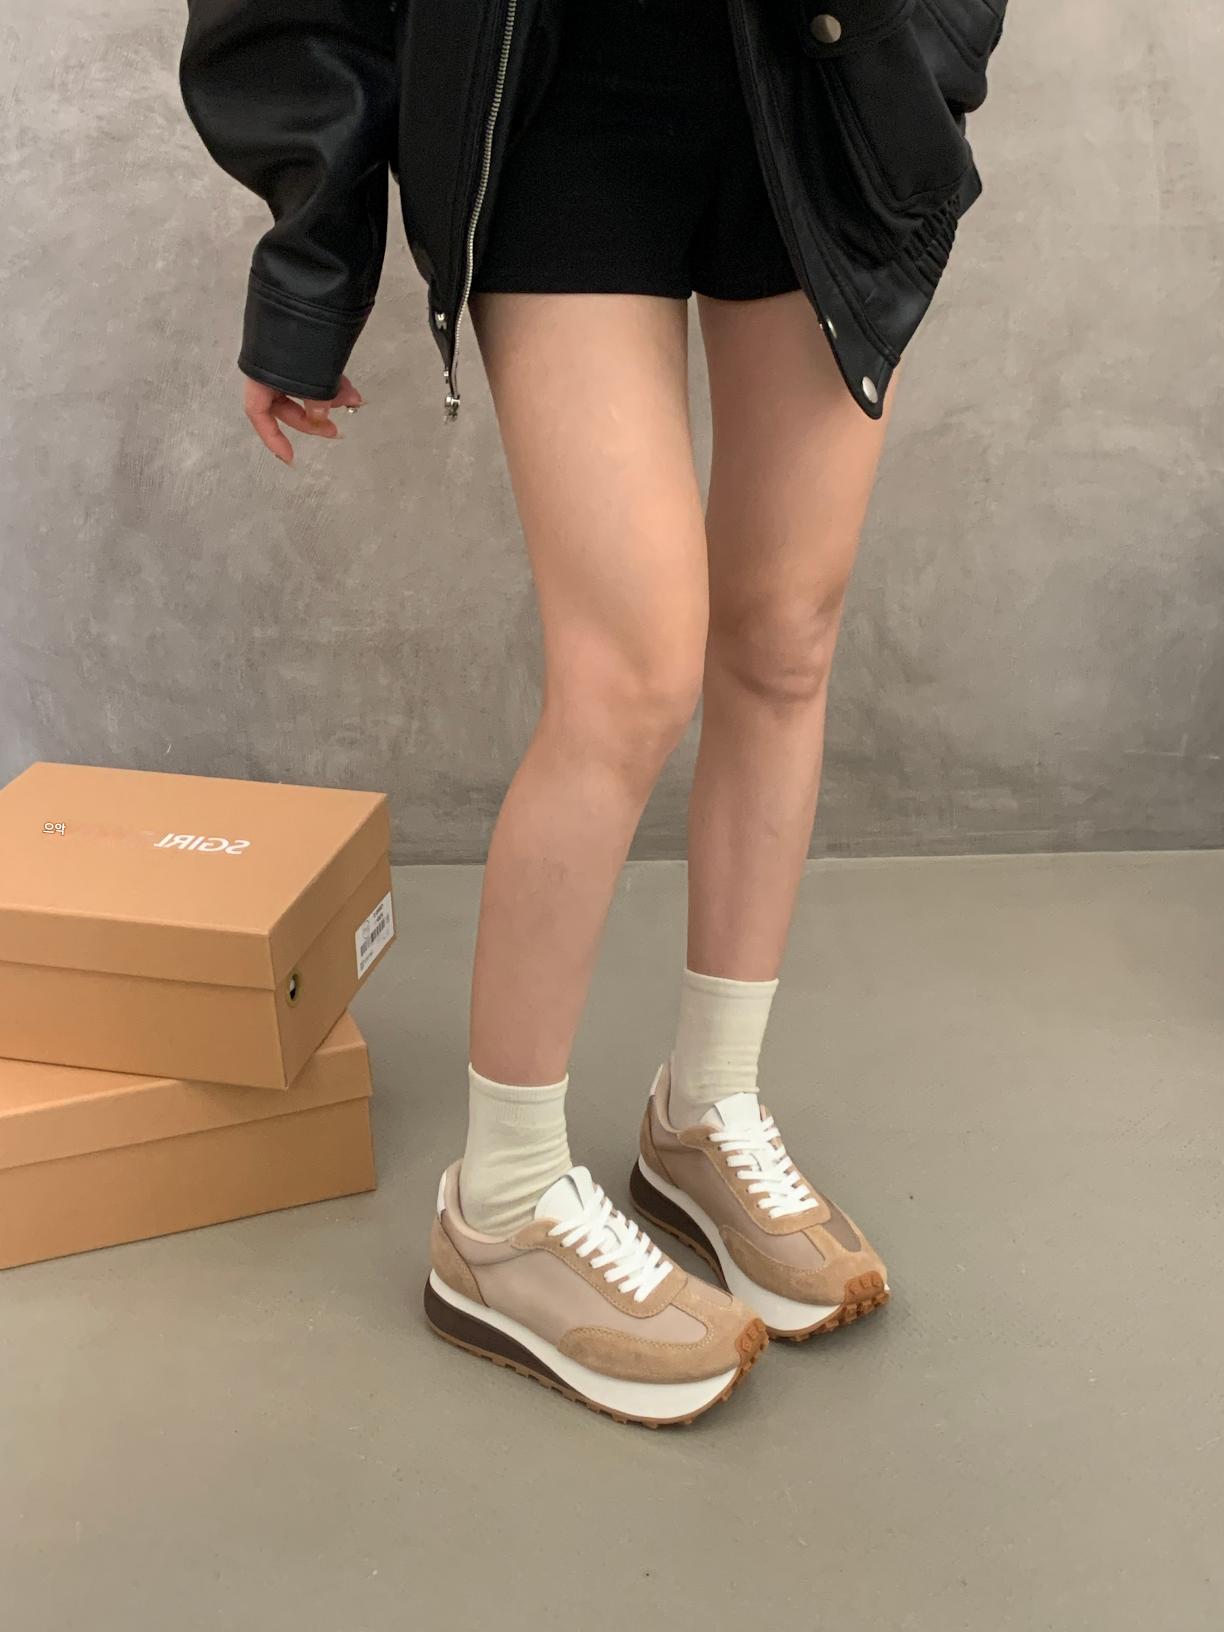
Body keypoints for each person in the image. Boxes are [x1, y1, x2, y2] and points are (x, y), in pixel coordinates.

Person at [181, 0, 1007, 1425]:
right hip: (563, 103)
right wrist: (310, 263)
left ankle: (706, 1111)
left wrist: (925, 59)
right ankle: (502, 1203)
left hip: (817, 89)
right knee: (631, 675)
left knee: (785, 639)